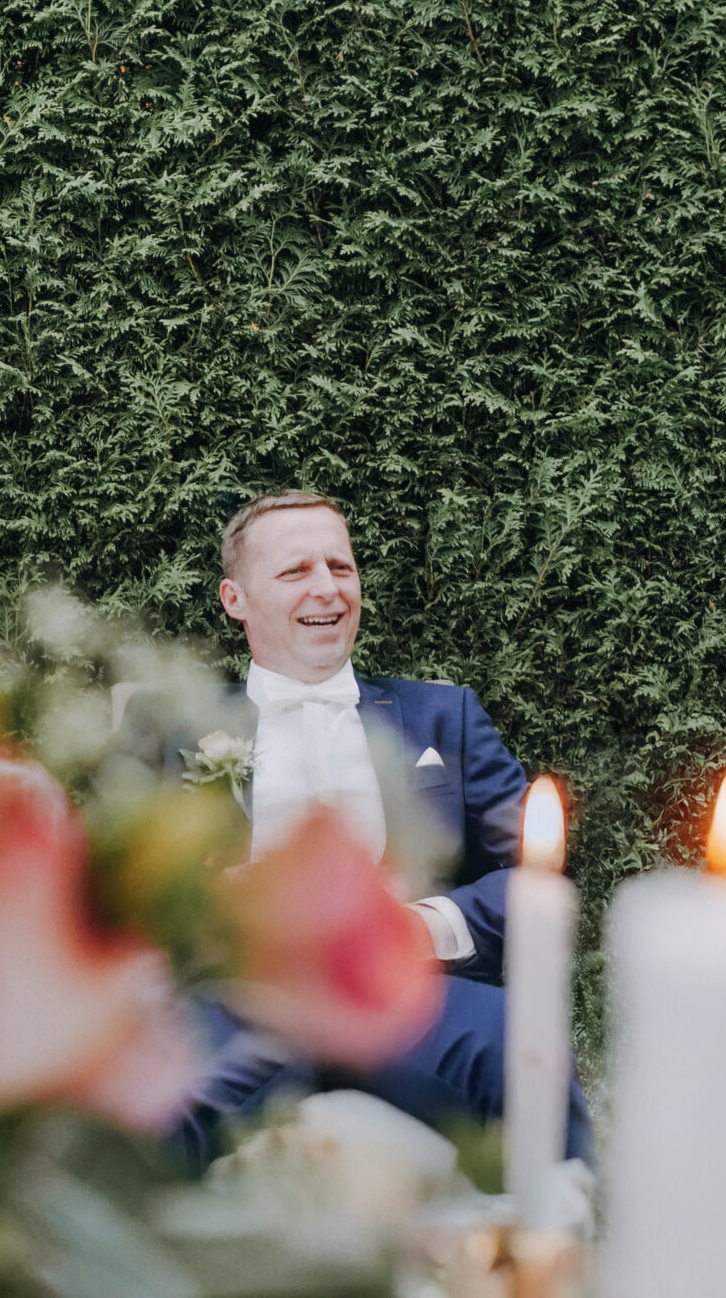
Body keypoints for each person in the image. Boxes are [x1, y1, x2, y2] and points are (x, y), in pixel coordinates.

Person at [133, 488, 592, 1172]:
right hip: (241, 1007)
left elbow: (537, 876)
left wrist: (421, 927)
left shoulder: (446, 716)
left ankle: (557, 1254)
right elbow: (120, 898)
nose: (328, 588)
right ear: (236, 599)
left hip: (411, 1004)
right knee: (154, 1109)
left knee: (520, 1045)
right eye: (295, 571)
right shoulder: (172, 731)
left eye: (340, 567)